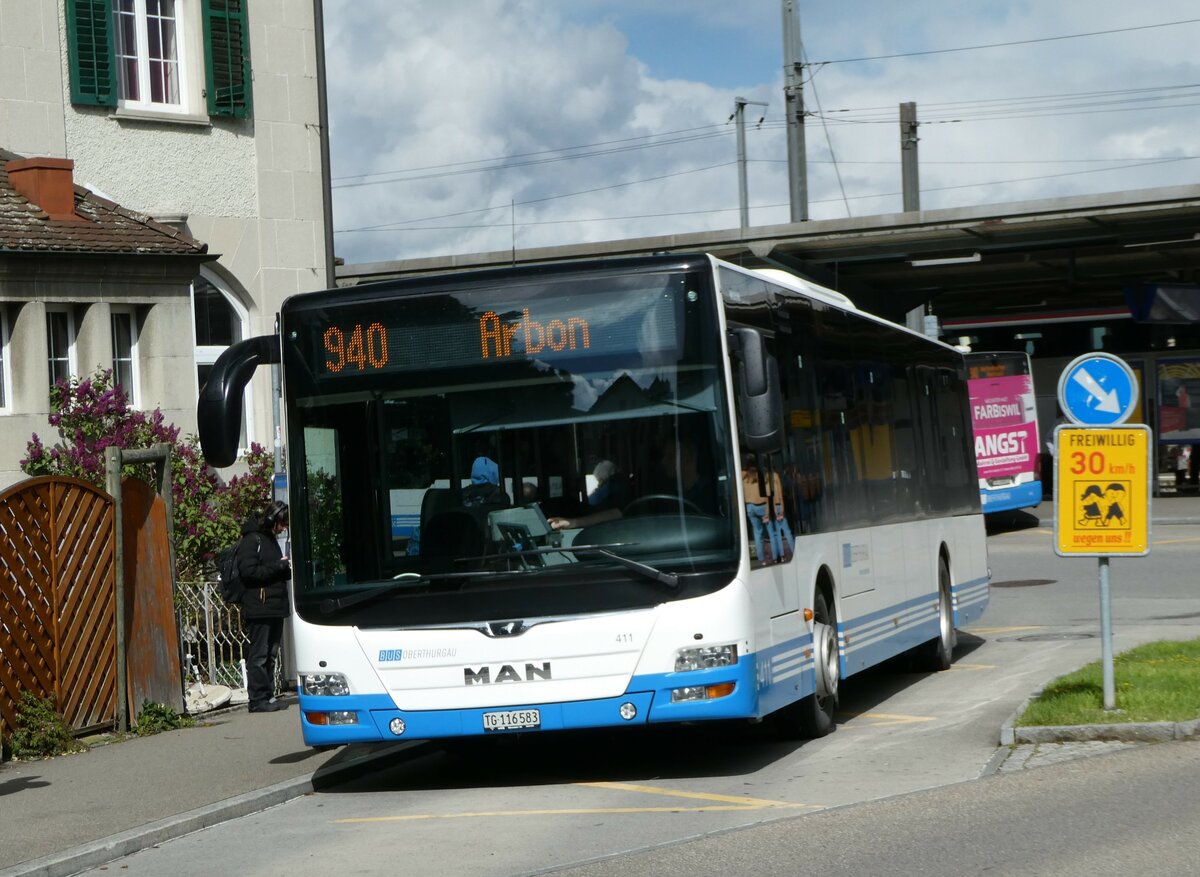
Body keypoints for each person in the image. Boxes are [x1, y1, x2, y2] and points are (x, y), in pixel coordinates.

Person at [236, 500, 292, 713]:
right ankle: (258, 699)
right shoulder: (253, 540)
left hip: (274, 604)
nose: (284, 528)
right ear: (272, 519)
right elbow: (249, 571)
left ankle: (267, 697)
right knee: (259, 654)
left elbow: (268, 570)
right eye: (282, 523)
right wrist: (278, 566)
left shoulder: (269, 540)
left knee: (270, 653)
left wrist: (284, 568)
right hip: (260, 605)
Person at [742, 455, 794, 563]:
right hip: (761, 505)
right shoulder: (763, 475)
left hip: (749, 507)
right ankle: (775, 557)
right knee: (772, 532)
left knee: (757, 533)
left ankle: (762, 559)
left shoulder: (743, 475)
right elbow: (768, 494)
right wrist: (768, 511)